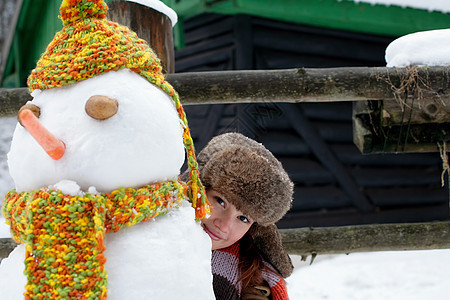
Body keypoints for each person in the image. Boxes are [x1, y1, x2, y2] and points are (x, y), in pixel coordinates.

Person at [185, 132, 294, 300]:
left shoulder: (258, 283)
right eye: (220, 201)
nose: (224, 225)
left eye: (243, 218)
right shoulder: (145, 236)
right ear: (198, 189)